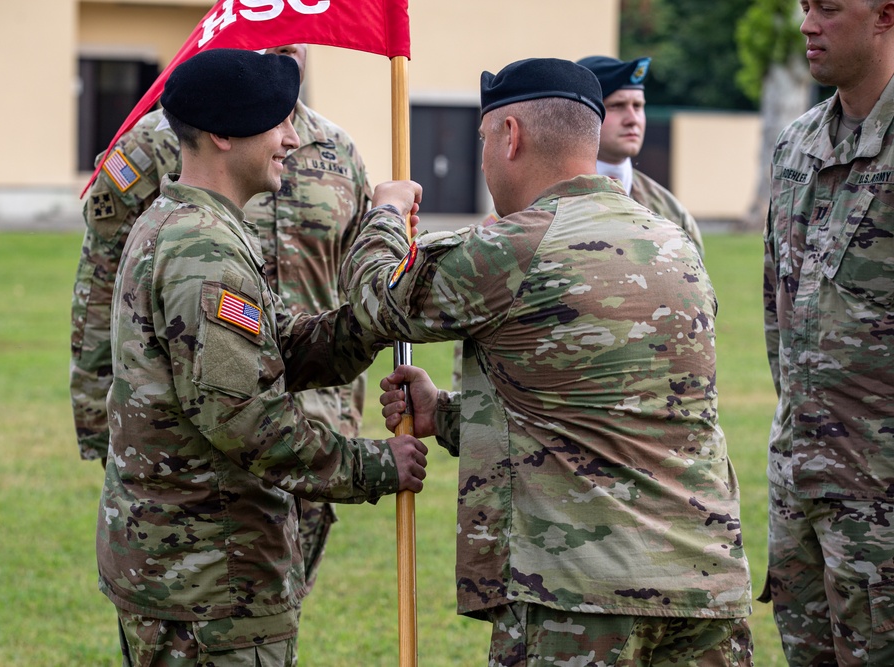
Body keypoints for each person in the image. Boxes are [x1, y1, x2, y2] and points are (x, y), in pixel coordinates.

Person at [343, 58, 753, 665]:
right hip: (703, 585)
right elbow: (600, 404)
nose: (483, 161)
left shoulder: (518, 245)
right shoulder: (675, 243)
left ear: (511, 136)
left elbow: (378, 299)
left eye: (483, 141)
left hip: (582, 596)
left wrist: (385, 213)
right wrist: (444, 414)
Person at [96, 48, 428, 667]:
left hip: (194, 568)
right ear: (224, 134)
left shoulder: (197, 227)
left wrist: (375, 298)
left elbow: (281, 348)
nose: (293, 138)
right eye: (277, 122)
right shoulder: (205, 255)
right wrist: (378, 467)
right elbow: (249, 423)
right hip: (210, 579)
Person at [70, 43, 370, 592]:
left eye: (295, 39)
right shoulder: (169, 156)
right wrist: (97, 416)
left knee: (271, 608)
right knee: (231, 614)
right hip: (203, 448)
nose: (288, 47)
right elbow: (102, 278)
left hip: (315, 420)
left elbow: (352, 281)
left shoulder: (338, 150)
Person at [761, 1, 894, 664]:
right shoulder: (796, 146)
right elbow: (774, 310)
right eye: (805, 6)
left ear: (886, 16)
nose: (808, 24)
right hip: (800, 494)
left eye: (830, 8)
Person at [577, 55, 704, 256]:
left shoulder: (670, 212)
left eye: (638, 106)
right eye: (616, 106)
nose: (633, 119)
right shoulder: (543, 201)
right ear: (583, 114)